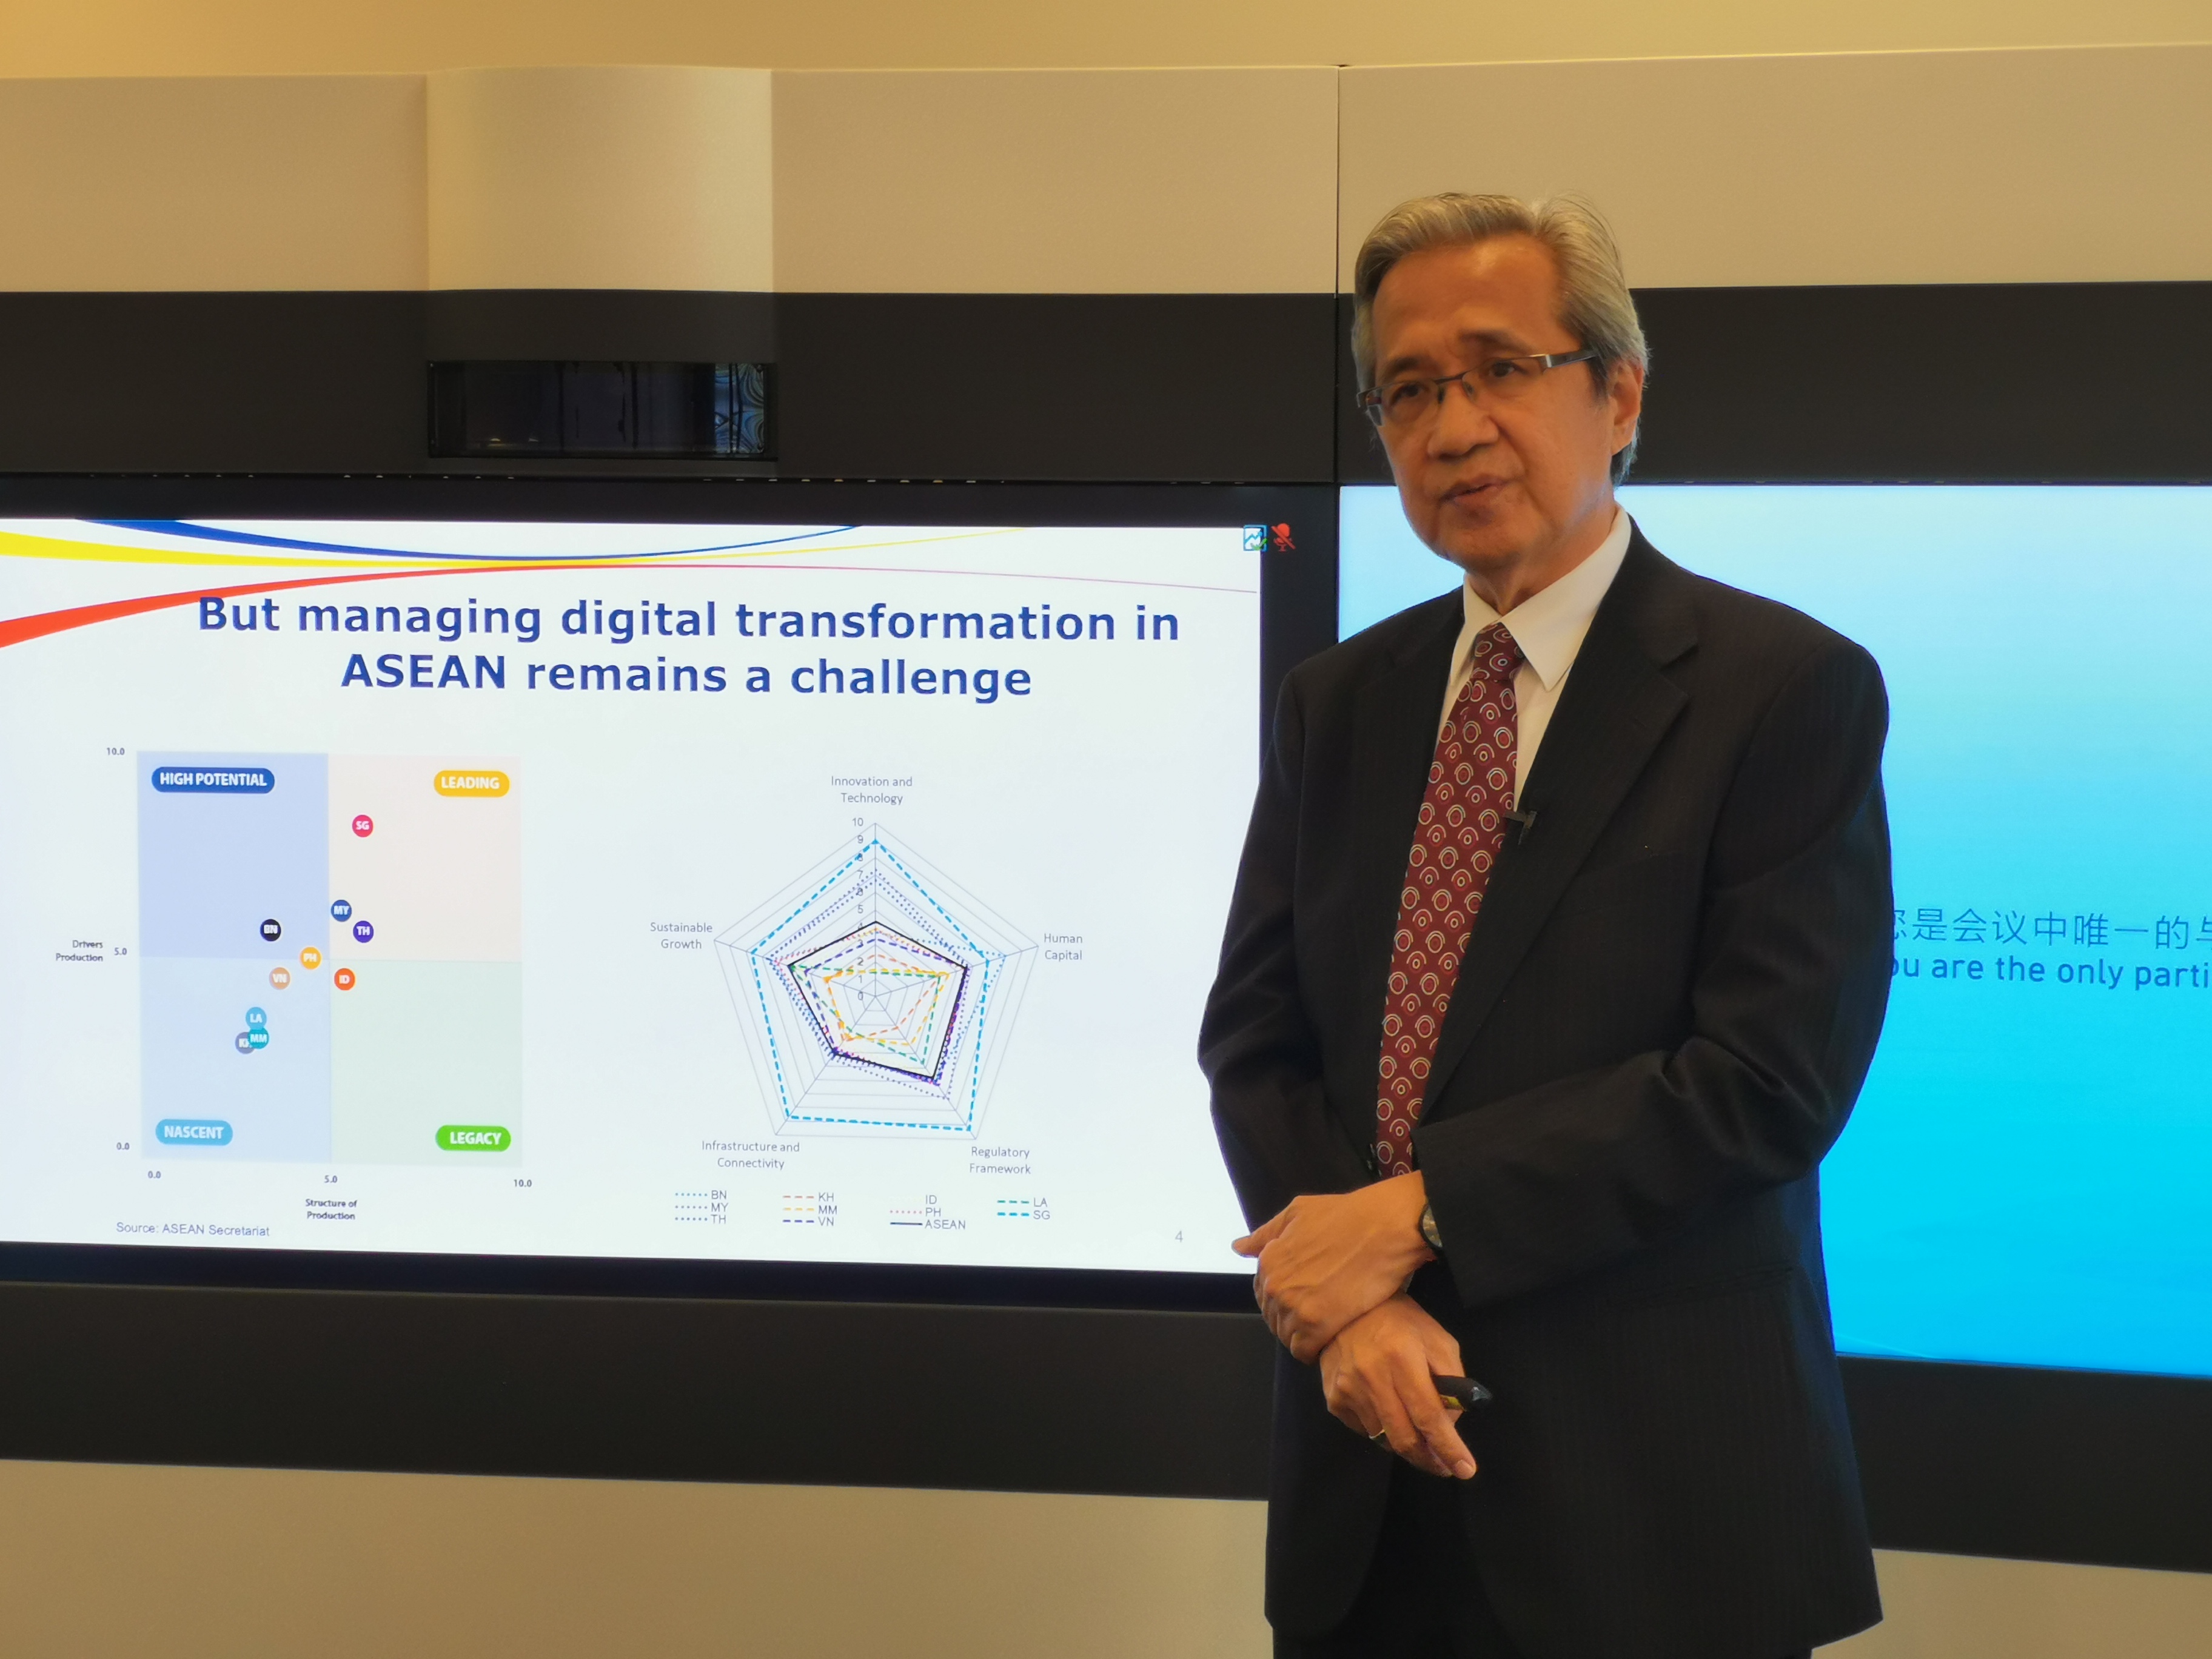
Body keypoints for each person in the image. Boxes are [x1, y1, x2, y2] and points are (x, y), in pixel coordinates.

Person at [1199, 193, 1892, 1659]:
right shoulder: (1341, 702)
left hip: (1652, 1514)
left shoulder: (1783, 688)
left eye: (1501, 370)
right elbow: (1256, 1043)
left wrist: (1417, 1213)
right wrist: (1354, 1311)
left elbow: (1766, 1082)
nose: (1454, 429)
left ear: (1619, 395)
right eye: (1408, 391)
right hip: (1367, 1482)